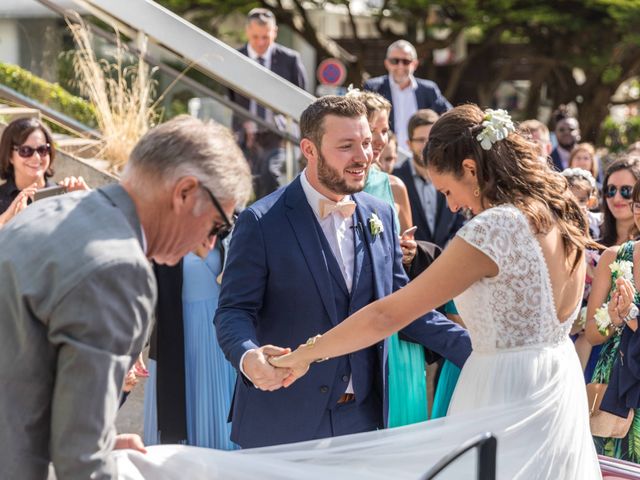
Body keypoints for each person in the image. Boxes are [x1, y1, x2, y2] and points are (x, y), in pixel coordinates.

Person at [270, 105, 601, 479]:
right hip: (558, 381)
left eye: (447, 189)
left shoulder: (494, 229)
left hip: (504, 391)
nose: (452, 204)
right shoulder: (559, 213)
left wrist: (305, 355)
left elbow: (387, 315)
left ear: (471, 170)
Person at [0, 115, 252, 479]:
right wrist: (91, 447)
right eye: (217, 226)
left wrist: (96, 441)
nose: (209, 246)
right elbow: (81, 459)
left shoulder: (51, 210)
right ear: (183, 193)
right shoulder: (120, 269)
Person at [214, 95, 471, 448]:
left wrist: (480, 351)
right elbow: (233, 310)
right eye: (346, 146)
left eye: (366, 143)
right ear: (310, 149)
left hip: (363, 422)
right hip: (282, 421)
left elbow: (402, 308)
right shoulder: (260, 222)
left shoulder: (380, 214)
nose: (364, 156)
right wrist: (248, 356)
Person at [143, 238, 237, 450]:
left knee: (220, 401)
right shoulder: (166, 232)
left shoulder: (229, 228)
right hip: (175, 331)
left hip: (219, 332)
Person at [585, 180, 640, 463]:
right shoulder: (614, 257)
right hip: (613, 384)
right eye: (639, 205)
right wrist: (614, 318)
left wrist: (632, 316)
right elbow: (593, 334)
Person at [229, 7, 307, 198]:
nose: (261, 43)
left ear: (275, 32)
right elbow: (231, 97)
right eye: (256, 37)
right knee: (244, 179)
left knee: (271, 175)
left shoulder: (290, 60)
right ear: (248, 32)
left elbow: (301, 99)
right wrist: (243, 120)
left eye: (266, 37)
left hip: (278, 133)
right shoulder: (235, 57)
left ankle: (271, 218)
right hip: (246, 133)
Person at [393, 109, 465, 248]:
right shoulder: (395, 179)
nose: (427, 145)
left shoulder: (455, 174)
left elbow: (461, 218)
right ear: (408, 144)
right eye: (421, 140)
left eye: (431, 139)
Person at [363, 40, 451, 153]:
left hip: (421, 156)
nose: (400, 66)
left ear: (414, 64)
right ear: (387, 63)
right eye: (395, 61)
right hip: (386, 156)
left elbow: (448, 115)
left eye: (406, 61)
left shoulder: (429, 89)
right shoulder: (373, 88)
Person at [0, 117, 89, 226]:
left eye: (42, 150)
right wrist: (5, 221)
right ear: (9, 155)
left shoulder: (66, 194)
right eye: (26, 151)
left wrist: (87, 200)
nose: (36, 157)